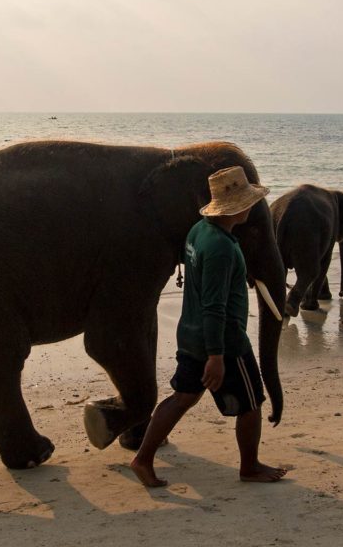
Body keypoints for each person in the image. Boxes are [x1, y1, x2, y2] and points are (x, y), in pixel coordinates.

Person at [130, 166, 287, 487]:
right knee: (252, 403)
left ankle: (142, 459)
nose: (251, 207)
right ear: (238, 207)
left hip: (191, 334)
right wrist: (216, 356)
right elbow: (214, 306)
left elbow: (204, 282)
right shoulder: (221, 248)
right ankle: (250, 466)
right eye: (248, 202)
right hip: (225, 342)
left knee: (182, 398)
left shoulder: (199, 231)